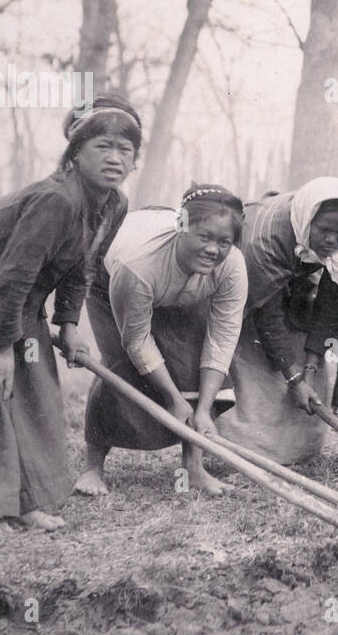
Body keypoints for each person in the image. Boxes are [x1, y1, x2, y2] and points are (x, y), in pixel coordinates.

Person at [0, 96, 138, 538]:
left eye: (125, 149)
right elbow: (11, 274)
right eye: (102, 146)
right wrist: (0, 348)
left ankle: (27, 501)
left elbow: (84, 265)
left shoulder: (114, 204)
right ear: (75, 152)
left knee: (34, 388)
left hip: (17, 291)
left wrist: (68, 324)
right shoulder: (56, 199)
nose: (115, 159)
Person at [74, 184, 247, 497]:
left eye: (224, 241)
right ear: (182, 225)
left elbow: (222, 338)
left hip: (182, 285)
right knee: (119, 365)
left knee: (192, 358)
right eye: (204, 236)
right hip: (110, 278)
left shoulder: (231, 265)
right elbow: (138, 342)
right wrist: (174, 400)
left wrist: (204, 408)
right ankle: (92, 468)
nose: (213, 249)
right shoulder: (139, 265)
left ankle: (193, 469)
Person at [215, 177, 338, 465]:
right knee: (259, 371)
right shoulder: (265, 240)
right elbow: (267, 316)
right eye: (324, 230)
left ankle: (299, 450)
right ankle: (244, 451)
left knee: (307, 365)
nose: (333, 240)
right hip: (247, 290)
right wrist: (294, 378)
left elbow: (329, 305)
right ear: (306, 220)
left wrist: (309, 367)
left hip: (294, 286)